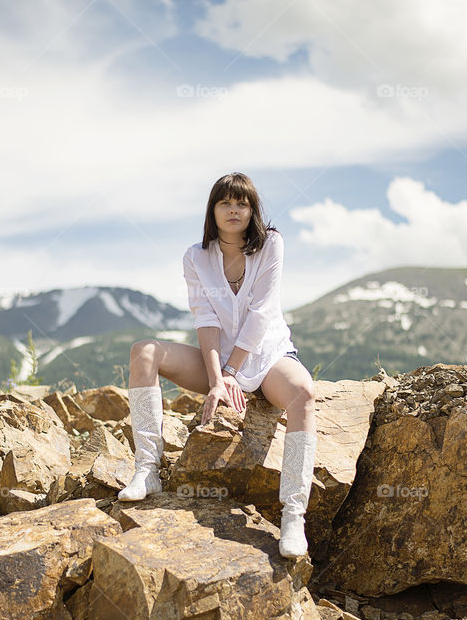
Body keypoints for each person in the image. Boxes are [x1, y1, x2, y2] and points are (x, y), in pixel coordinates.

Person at [117, 171, 319, 559]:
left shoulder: (271, 244)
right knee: (144, 350)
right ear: (212, 210)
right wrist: (215, 380)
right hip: (218, 364)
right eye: (225, 202)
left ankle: (293, 515)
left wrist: (230, 374)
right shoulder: (196, 257)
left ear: (252, 209)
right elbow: (205, 321)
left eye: (241, 203)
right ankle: (147, 470)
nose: (233, 210)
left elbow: (261, 314)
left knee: (304, 393)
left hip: (268, 357)